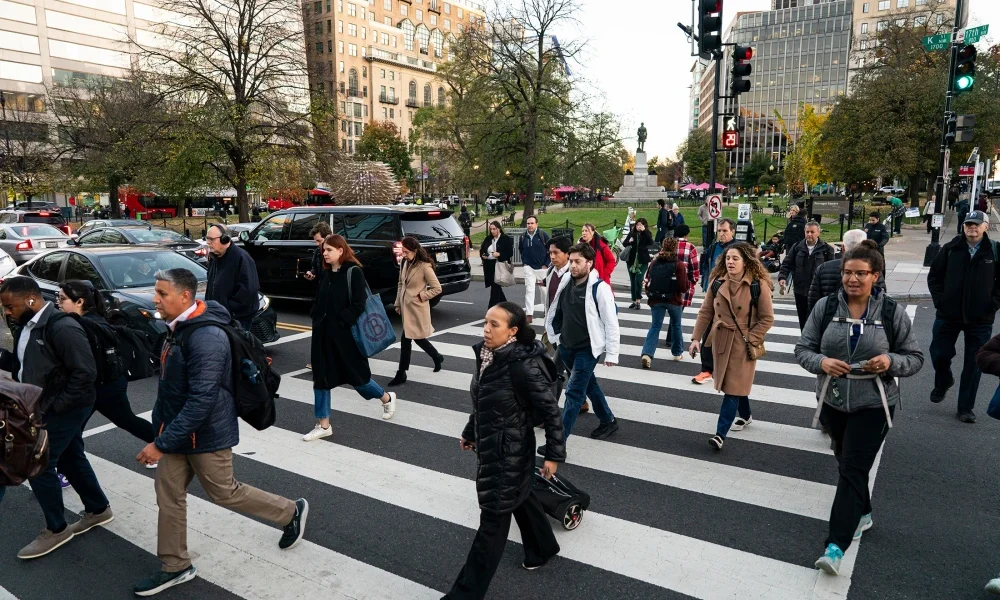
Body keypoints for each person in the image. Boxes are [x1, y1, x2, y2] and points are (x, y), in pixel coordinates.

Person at [134, 268, 307, 596]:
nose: (155, 299)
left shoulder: (205, 338)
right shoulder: (178, 328)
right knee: (168, 495)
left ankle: (290, 511)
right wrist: (163, 433)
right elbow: (172, 391)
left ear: (185, 296)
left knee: (224, 492)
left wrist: (160, 443)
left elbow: (202, 401)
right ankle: (175, 565)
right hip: (176, 433)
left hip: (206, 435)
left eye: (162, 293)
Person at [795, 240, 923, 576]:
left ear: (875, 276)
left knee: (852, 469)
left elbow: (915, 358)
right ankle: (862, 513)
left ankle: (835, 546)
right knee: (846, 464)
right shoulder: (825, 308)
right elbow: (803, 349)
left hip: (874, 405)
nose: (853, 279)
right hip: (833, 401)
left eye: (861, 273)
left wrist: (889, 361)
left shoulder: (891, 313)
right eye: (848, 272)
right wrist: (823, 362)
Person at [445, 302, 565, 599]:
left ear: (513, 331)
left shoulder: (522, 366)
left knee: (492, 526)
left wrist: (553, 454)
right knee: (521, 496)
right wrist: (470, 431)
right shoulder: (489, 356)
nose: (486, 329)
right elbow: (483, 400)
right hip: (493, 444)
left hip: (509, 452)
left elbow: (551, 412)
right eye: (485, 322)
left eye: (494, 325)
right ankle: (542, 547)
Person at [0, 277, 111, 560]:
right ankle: (98, 509)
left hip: (63, 407)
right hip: (46, 404)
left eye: (9, 307)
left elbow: (85, 373)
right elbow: (26, 365)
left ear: (30, 300)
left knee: (37, 463)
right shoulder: (28, 325)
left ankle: (57, 529)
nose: (6, 313)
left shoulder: (61, 327)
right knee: (71, 456)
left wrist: (53, 407)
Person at [302, 235, 398, 441]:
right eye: (323, 250)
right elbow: (320, 299)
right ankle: (323, 424)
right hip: (322, 335)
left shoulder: (353, 272)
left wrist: (342, 321)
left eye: (328, 250)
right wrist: (316, 315)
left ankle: (386, 397)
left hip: (346, 337)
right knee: (321, 379)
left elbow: (359, 303)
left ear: (340, 250)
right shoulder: (327, 273)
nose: (325, 253)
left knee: (358, 379)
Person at [690, 242, 775, 449]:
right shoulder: (717, 282)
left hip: (743, 343)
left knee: (733, 388)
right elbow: (706, 312)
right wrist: (695, 339)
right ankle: (745, 415)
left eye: (735, 258)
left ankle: (720, 434)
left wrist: (751, 338)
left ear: (746, 261)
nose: (730, 262)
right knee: (735, 384)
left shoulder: (758, 284)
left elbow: (767, 318)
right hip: (721, 340)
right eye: (728, 258)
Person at [58, 280, 156, 454]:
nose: (58, 302)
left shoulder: (88, 324)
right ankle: (164, 446)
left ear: (80, 301)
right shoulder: (87, 321)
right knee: (74, 429)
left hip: (105, 386)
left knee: (124, 421)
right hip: (101, 384)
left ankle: (164, 446)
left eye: (62, 298)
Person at [926, 210, 1000, 423]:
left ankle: (965, 408)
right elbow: (935, 277)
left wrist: (992, 305)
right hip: (948, 315)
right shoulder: (950, 249)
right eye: (969, 224)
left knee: (974, 363)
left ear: (986, 226)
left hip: (980, 319)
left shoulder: (994, 251)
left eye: (977, 224)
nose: (972, 228)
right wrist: (940, 301)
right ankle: (943, 380)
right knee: (939, 353)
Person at [544, 242, 620, 441]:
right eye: (571, 261)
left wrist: (612, 353)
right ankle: (608, 420)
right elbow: (556, 309)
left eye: (578, 261)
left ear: (590, 263)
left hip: (587, 350)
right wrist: (555, 336)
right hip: (566, 346)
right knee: (589, 385)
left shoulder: (599, 288)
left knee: (574, 392)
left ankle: (557, 443)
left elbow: (611, 323)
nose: (573, 265)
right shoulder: (566, 280)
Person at [388, 236, 444, 386]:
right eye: (403, 252)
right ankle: (436, 356)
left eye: (406, 252)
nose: (404, 254)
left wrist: (422, 296)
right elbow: (401, 283)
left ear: (414, 250)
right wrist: (397, 303)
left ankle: (401, 373)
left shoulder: (425, 266)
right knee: (415, 338)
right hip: (406, 308)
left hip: (417, 308)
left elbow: (437, 288)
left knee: (408, 339)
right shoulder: (405, 262)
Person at [693, 219, 735, 385]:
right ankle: (707, 369)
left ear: (732, 231)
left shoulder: (738, 248)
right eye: (720, 231)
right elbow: (706, 263)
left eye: (725, 230)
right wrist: (706, 281)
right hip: (714, 293)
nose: (722, 234)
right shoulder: (714, 247)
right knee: (708, 331)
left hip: (732, 297)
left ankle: (730, 367)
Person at [807, 230, 887, 312]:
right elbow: (880, 297)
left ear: (843, 248)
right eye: (847, 272)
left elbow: (813, 300)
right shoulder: (872, 269)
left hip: (829, 315)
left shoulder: (823, 268)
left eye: (860, 273)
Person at [778, 221, 837, 330]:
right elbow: (787, 263)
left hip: (818, 291)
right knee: (802, 319)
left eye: (812, 232)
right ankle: (805, 342)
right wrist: (782, 277)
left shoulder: (827, 249)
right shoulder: (797, 247)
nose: (809, 234)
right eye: (807, 232)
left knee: (815, 320)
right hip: (800, 290)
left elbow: (831, 270)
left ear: (818, 233)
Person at [641, 237, 690, 366]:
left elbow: (648, 278)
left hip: (656, 298)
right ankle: (677, 352)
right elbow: (683, 286)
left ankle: (647, 353)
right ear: (675, 248)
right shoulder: (678, 264)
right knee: (676, 325)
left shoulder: (654, 262)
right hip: (674, 299)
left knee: (655, 326)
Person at [205, 223, 260, 331]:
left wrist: (229, 310)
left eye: (211, 239)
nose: (208, 242)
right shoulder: (215, 258)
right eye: (207, 238)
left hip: (236, 320)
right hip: (217, 316)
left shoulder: (242, 258)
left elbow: (248, 291)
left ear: (225, 239)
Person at [518, 216, 550, 323]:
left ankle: (547, 309)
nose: (530, 225)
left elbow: (551, 249)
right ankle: (529, 314)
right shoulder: (523, 236)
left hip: (542, 268)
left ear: (537, 224)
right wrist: (524, 262)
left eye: (532, 223)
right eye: (528, 223)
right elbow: (521, 249)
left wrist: (546, 264)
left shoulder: (542, 235)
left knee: (544, 290)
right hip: (529, 267)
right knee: (529, 290)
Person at [479, 221, 513, 309]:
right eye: (491, 229)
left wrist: (499, 254)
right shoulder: (488, 239)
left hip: (499, 266)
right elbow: (482, 249)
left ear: (499, 228)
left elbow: (510, 252)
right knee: (496, 288)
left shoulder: (505, 238)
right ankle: (506, 307)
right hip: (489, 266)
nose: (492, 231)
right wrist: (483, 255)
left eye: (494, 229)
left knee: (495, 288)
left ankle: (491, 309)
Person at [623, 217, 654, 309]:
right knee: (632, 281)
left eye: (640, 225)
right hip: (631, 261)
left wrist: (644, 231)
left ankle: (638, 300)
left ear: (644, 225)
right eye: (637, 224)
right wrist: (629, 241)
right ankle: (634, 300)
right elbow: (624, 243)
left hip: (642, 261)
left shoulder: (646, 234)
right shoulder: (632, 233)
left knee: (638, 279)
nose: (638, 226)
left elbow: (650, 242)